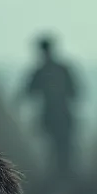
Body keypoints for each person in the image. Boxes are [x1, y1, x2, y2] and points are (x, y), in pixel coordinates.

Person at [20, 35, 79, 179]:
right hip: (59, 115)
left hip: (53, 116)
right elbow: (75, 93)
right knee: (61, 150)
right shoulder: (61, 69)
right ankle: (62, 180)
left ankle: (60, 180)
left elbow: (28, 93)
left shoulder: (41, 71)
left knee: (59, 150)